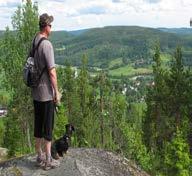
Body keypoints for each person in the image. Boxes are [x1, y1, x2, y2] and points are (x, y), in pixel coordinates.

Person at [31, 13, 62, 170]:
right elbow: (52, 72)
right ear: (46, 26)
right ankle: (48, 160)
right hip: (46, 95)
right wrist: (56, 92)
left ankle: (39, 156)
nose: (52, 28)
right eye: (51, 25)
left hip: (35, 92)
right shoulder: (47, 45)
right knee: (48, 128)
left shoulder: (35, 40)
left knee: (38, 125)